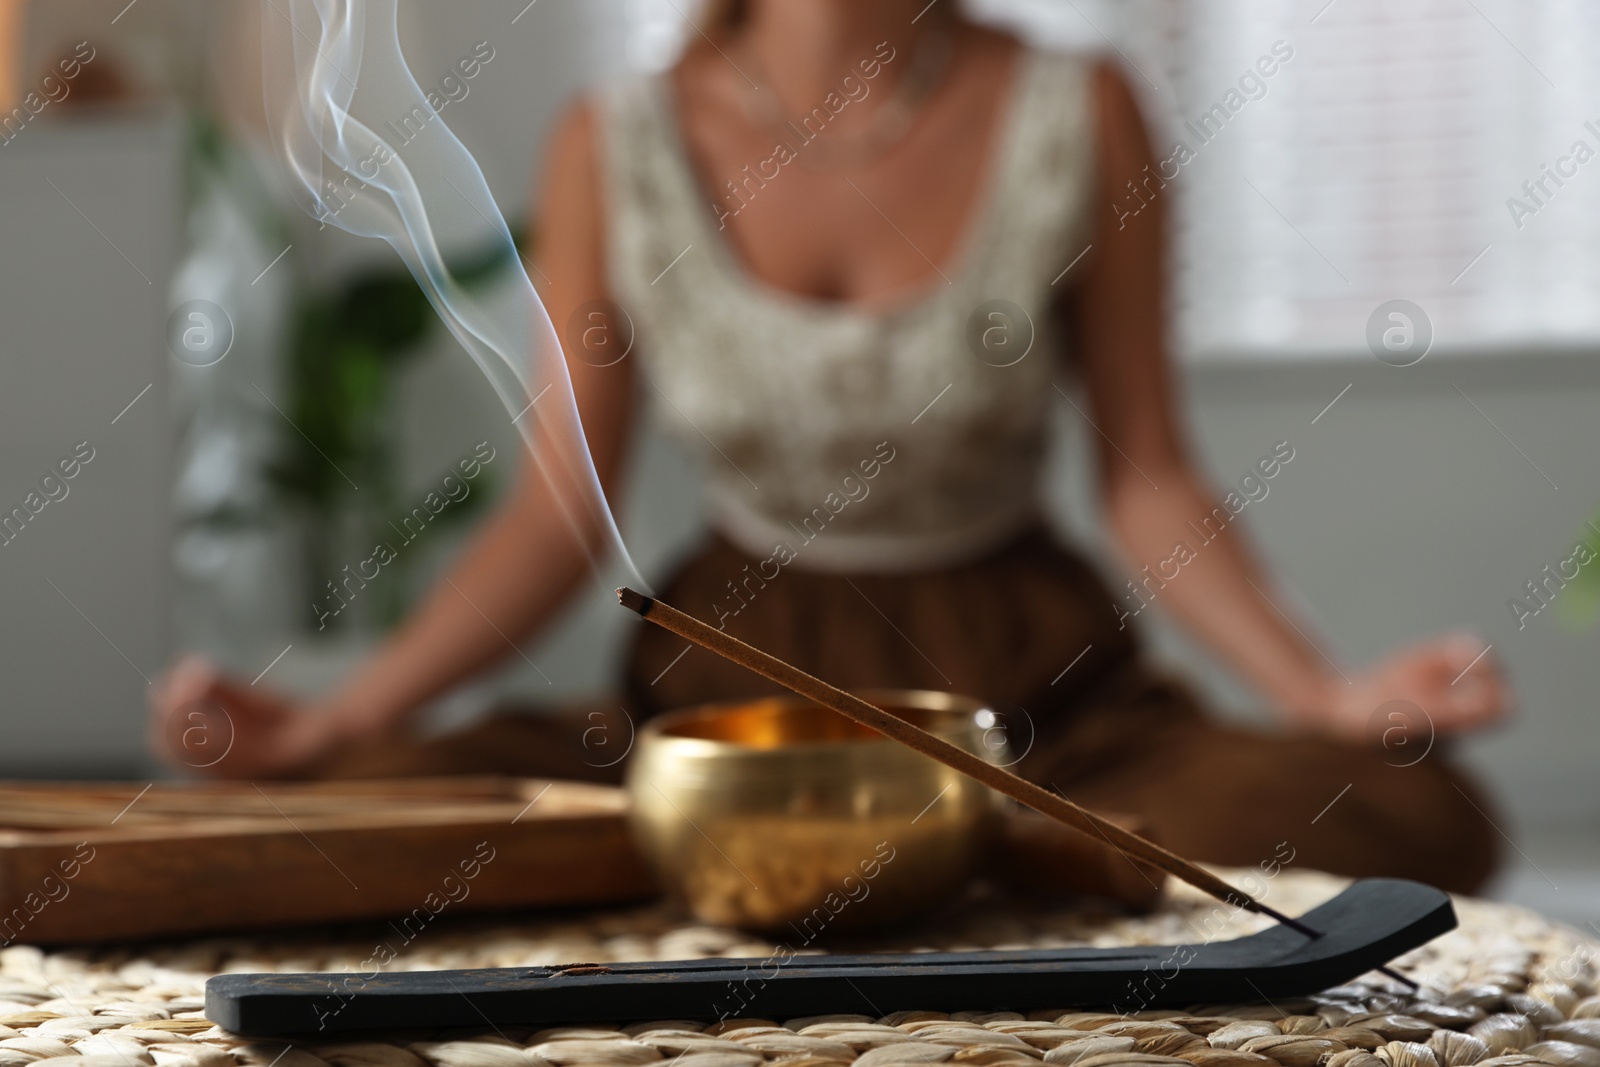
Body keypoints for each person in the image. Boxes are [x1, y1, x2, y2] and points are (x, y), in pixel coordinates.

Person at [151, 0, 1508, 893]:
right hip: (723, 706)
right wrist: (345, 717)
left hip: (1036, 699)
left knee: (1406, 820)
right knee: (371, 819)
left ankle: (970, 861)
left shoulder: (1076, 107)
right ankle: (961, 881)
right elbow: (561, 512)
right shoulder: (615, 140)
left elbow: (1149, 475)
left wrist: (1324, 693)